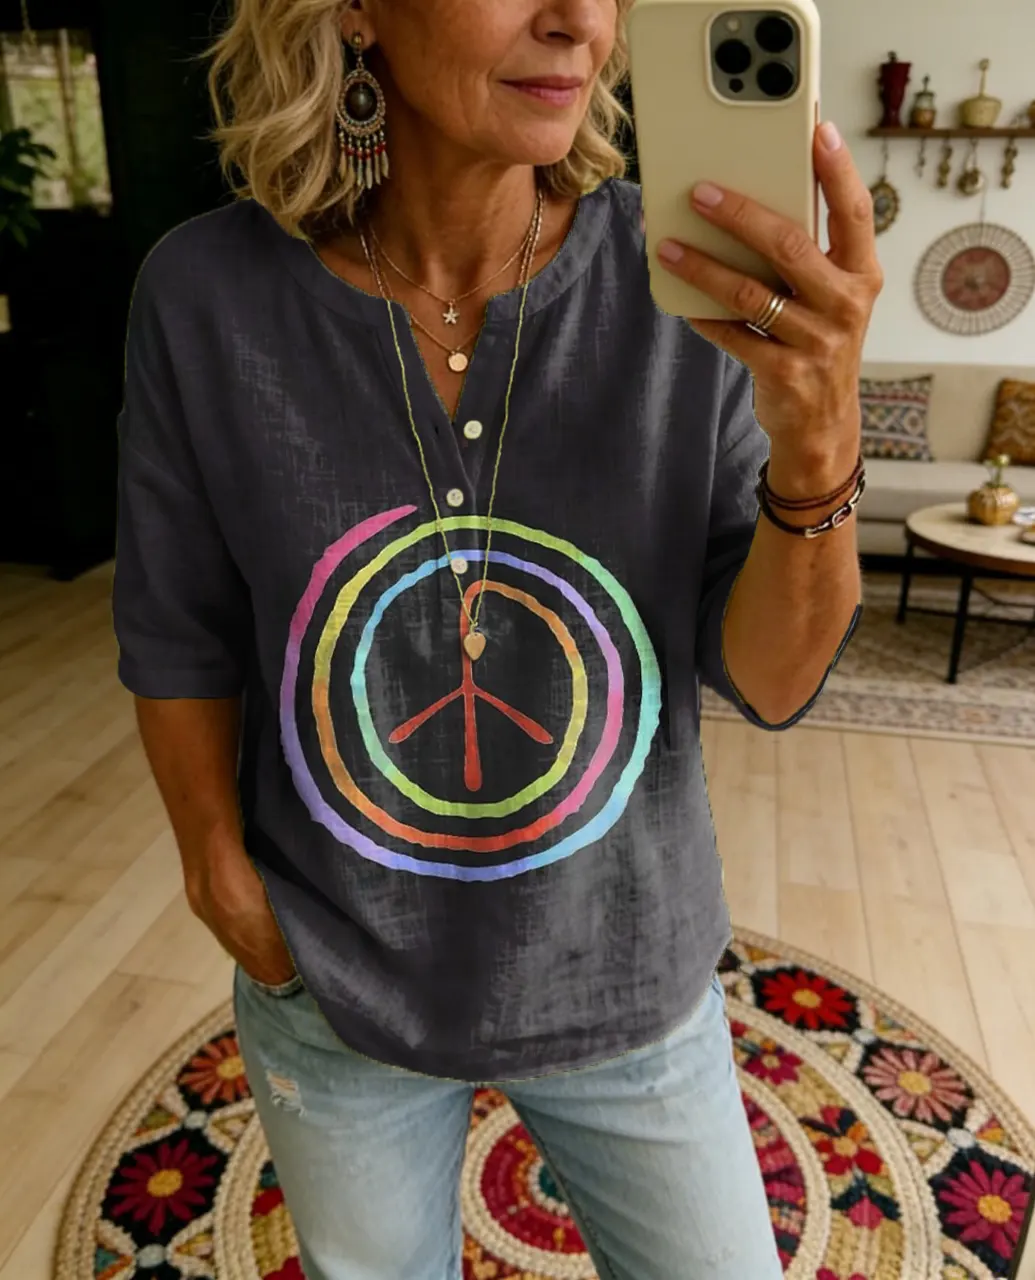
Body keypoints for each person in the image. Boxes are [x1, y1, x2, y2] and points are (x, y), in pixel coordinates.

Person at [111, 0, 881, 1275]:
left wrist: (820, 443)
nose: (579, 20)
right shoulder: (205, 297)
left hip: (628, 963)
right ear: (354, 10)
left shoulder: (689, 285)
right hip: (334, 975)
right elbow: (175, 620)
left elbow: (770, 677)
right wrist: (217, 874)